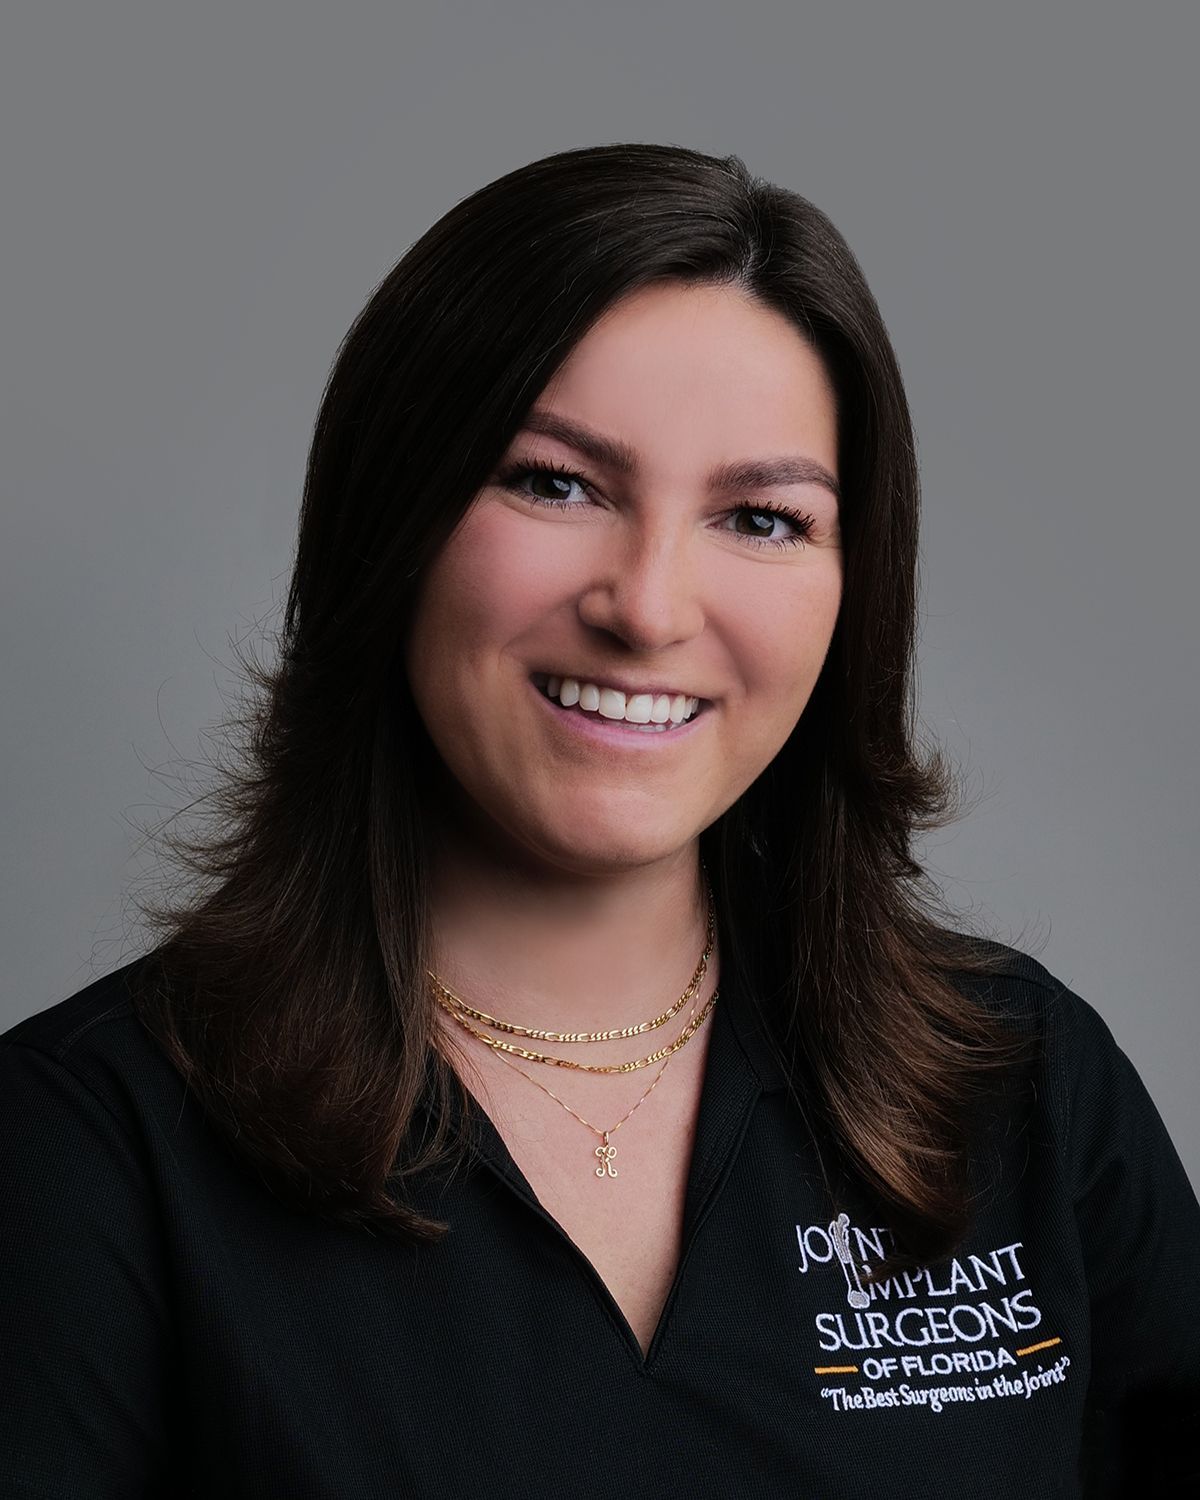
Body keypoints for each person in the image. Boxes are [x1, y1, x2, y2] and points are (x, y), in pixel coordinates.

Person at [1, 142, 1196, 1499]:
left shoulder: (1024, 1085)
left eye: (762, 517)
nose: (650, 605)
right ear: (389, 521)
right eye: (554, 483)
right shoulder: (86, 1149)